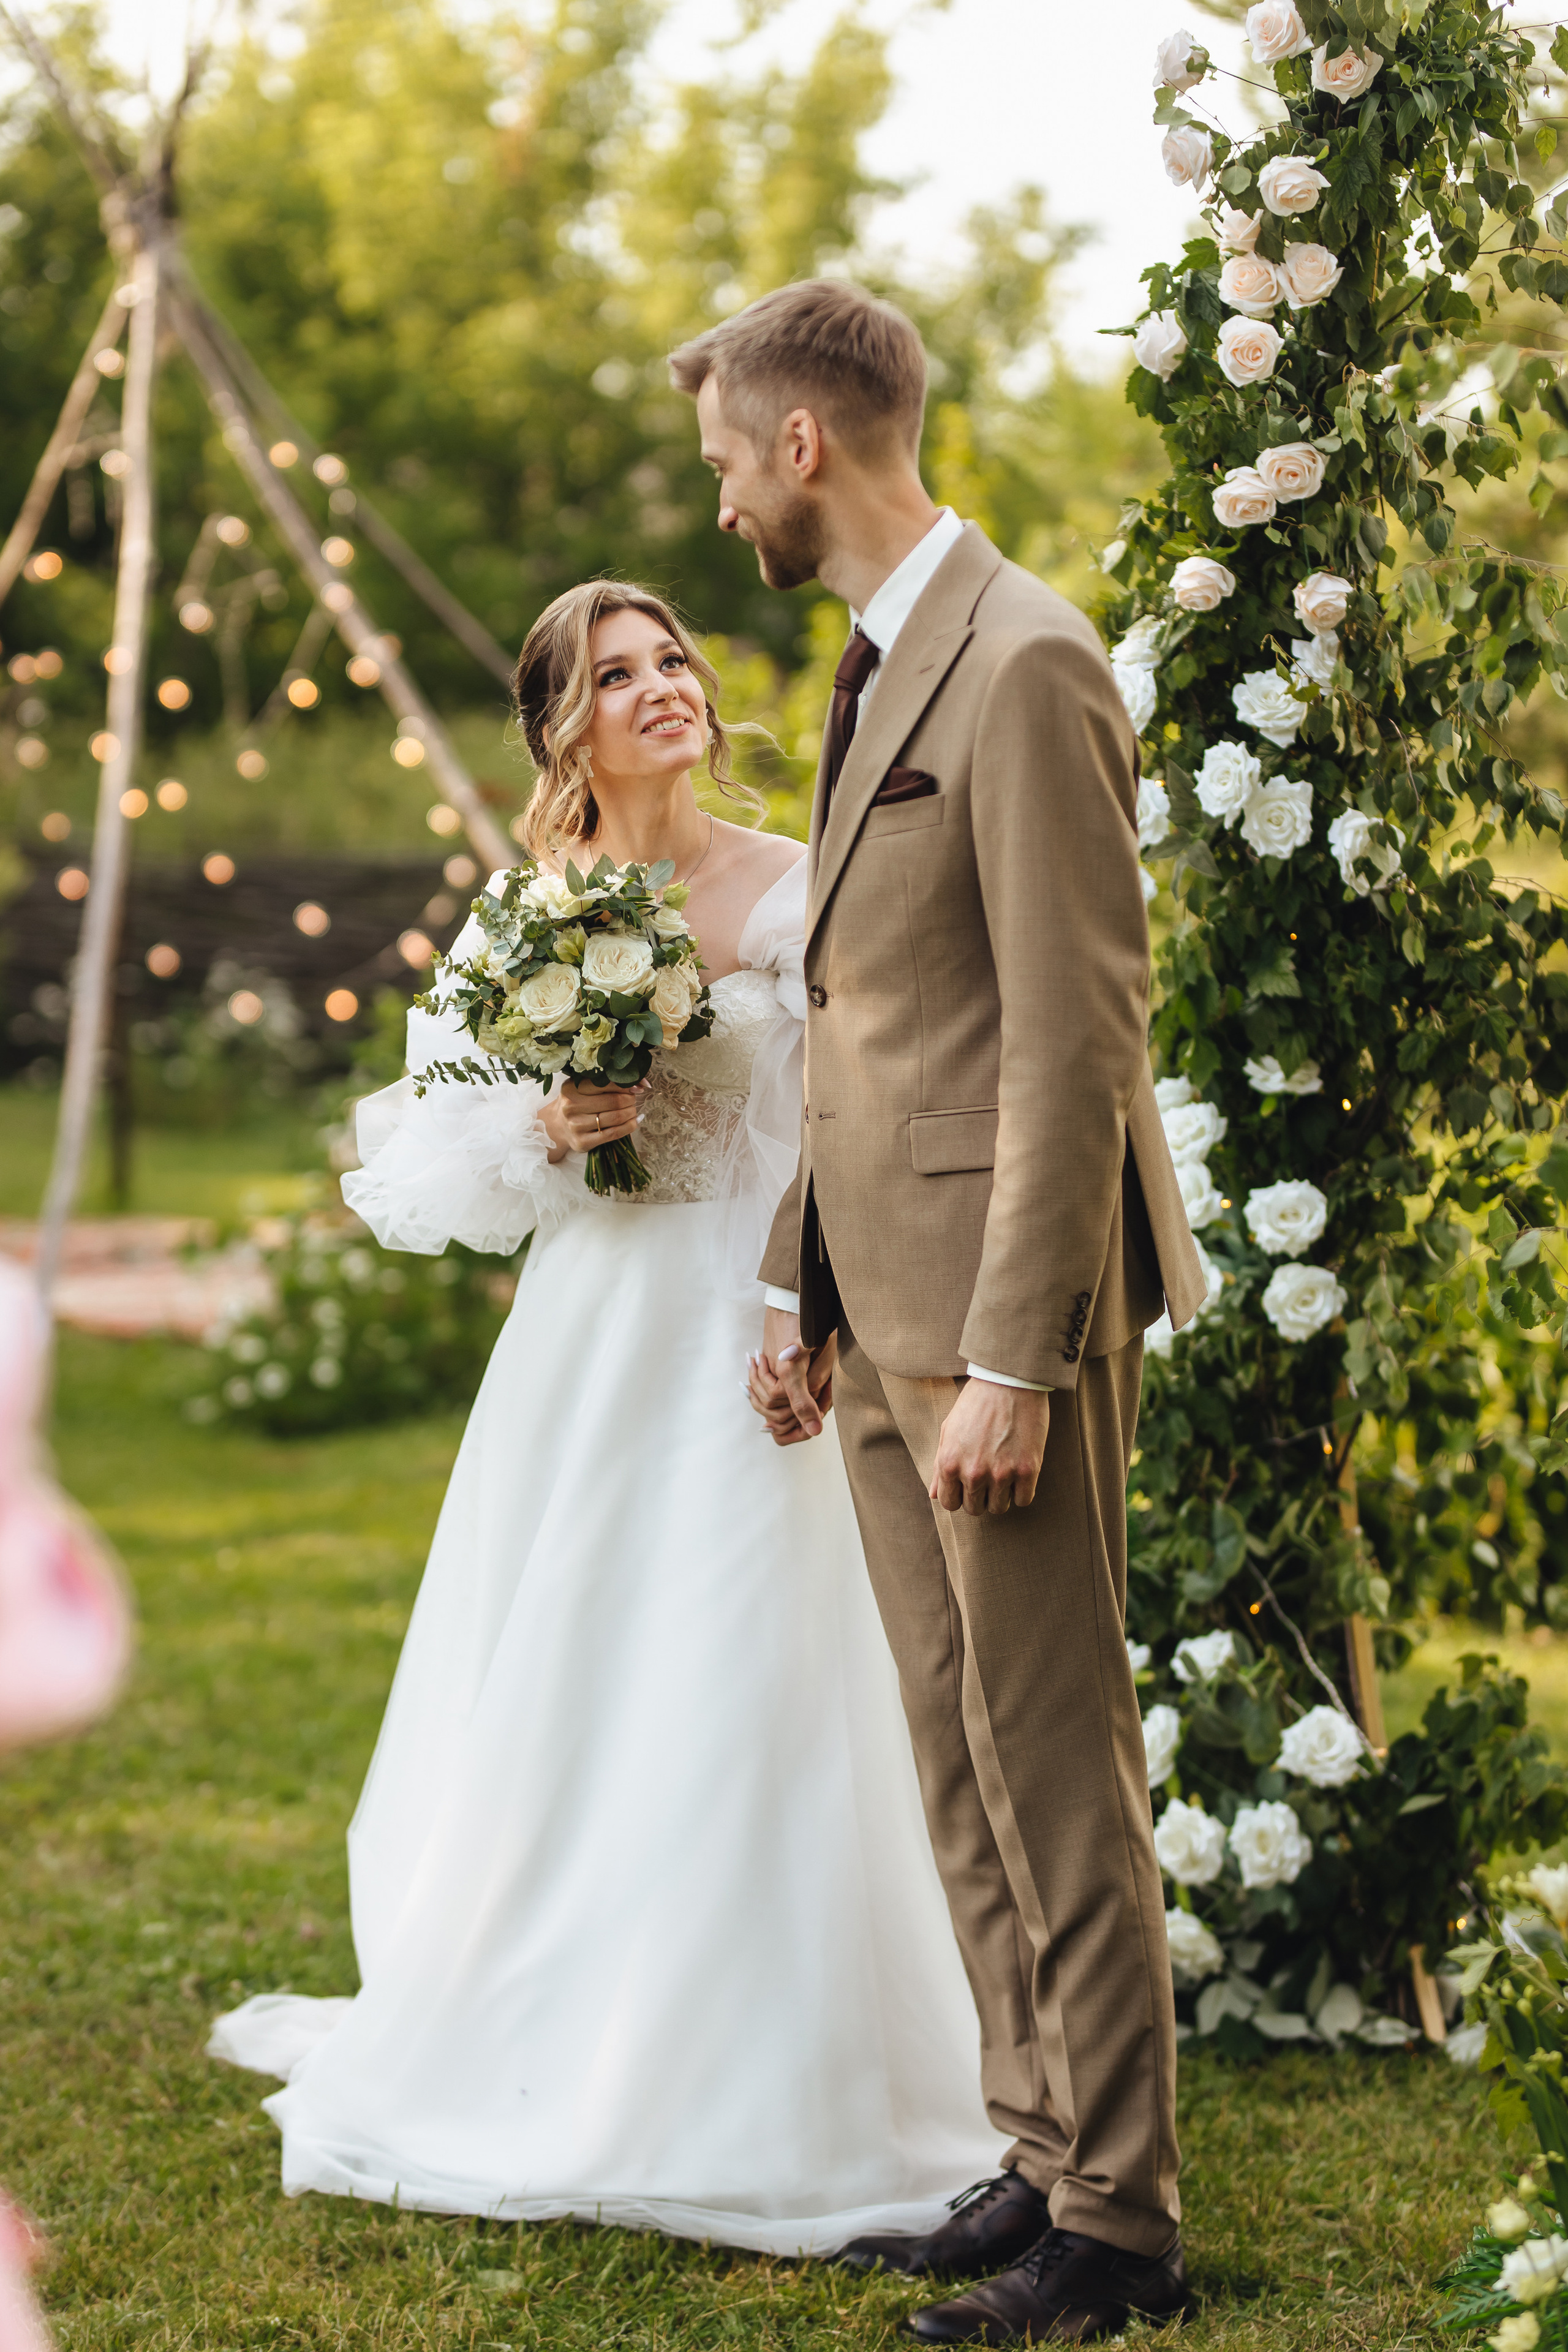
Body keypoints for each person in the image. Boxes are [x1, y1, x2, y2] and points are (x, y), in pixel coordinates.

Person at [208, 579, 1005, 2252]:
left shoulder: (802, 886)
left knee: (770, 1674)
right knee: (589, 1670)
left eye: (676, 663)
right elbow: (432, 1160)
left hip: (776, 1320)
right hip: (602, 1335)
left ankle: (799, 2064)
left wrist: (821, 1307)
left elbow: (862, 1113)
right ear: (563, 724)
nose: (664, 690)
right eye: (619, 673)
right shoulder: (530, 918)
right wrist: (556, 1127)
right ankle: (570, 2033)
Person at [669, 281, 1206, 2345]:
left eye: (728, 456)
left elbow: (1075, 1039)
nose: (721, 501)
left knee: (1053, 1752)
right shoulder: (877, 660)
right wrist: (801, 1279)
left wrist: (1016, 1357)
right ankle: (1040, 2149)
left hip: (1000, 1324)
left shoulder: (1030, 659)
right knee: (955, 1748)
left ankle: (1125, 2235)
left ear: (804, 442)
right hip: (871, 1300)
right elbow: (871, 1019)